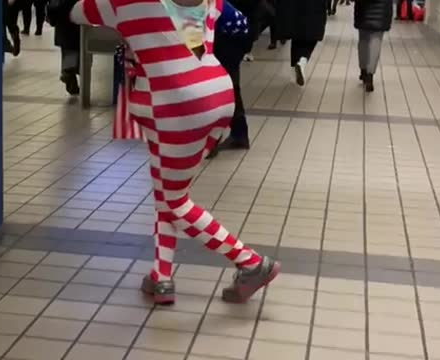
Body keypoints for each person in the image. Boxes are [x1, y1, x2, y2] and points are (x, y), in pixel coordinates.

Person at [63, 0, 281, 305]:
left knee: (175, 200)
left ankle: (251, 263)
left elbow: (72, 12)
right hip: (216, 93)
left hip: (173, 103)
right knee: (166, 190)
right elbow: (240, 25)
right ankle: (161, 277)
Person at [208, 2, 252, 157]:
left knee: (220, 88)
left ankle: (213, 141)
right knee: (227, 87)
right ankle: (239, 135)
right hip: (234, 33)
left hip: (231, 37)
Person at [276, 0, 327, 86]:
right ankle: (302, 61)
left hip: (294, 9)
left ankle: (293, 73)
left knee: (297, 35)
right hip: (315, 7)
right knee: (312, 37)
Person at [355, 0, 392, 92]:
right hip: (383, 8)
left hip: (363, 8)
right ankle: (370, 74)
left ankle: (363, 69)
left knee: (363, 39)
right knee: (376, 41)